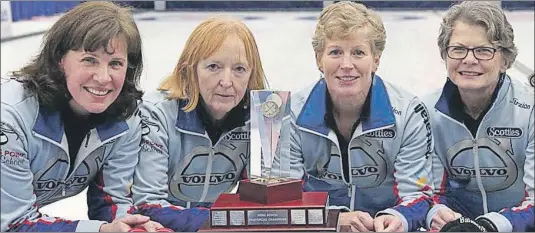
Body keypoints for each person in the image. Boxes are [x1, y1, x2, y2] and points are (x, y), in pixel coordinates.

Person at [0, 2, 166, 232]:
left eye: (116, 63)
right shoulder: (9, 116)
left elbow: (112, 203)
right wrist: (98, 230)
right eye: (90, 60)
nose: (103, 77)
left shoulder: (126, 119)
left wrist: (132, 227)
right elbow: (14, 224)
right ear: (59, 59)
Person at [285, 1, 434, 232]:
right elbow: (284, 200)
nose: (346, 64)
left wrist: (397, 219)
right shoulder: (291, 115)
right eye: (335, 52)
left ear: (376, 60)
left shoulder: (408, 114)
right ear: (318, 59)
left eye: (358, 52)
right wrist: (332, 219)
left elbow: (418, 195)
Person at [131, 16, 267, 231]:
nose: (226, 81)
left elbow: (267, 202)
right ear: (189, 69)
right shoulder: (157, 113)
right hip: (159, 225)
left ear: (252, 75)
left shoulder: (263, 117)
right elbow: (148, 205)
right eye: (214, 66)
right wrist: (222, 222)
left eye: (239, 69)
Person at [422, 1, 534, 232]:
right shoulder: (425, 111)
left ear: (505, 60)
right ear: (445, 55)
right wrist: (436, 214)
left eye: (483, 50)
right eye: (458, 49)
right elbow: (424, 191)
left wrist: (489, 226)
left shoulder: (530, 110)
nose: (469, 59)